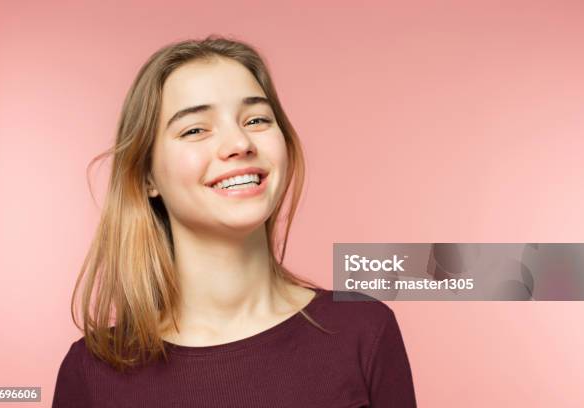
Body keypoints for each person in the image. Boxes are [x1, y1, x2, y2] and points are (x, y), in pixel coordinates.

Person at [52, 34, 417, 407]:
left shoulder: (364, 329)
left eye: (256, 119)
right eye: (195, 129)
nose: (240, 143)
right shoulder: (91, 374)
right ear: (147, 177)